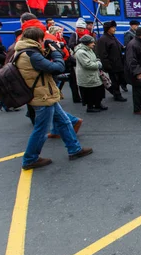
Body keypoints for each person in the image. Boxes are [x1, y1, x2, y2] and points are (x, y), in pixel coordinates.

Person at [14, 27, 92, 170]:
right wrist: (56, 52)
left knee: (64, 121)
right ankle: (30, 159)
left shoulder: (22, 51)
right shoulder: (32, 54)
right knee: (41, 130)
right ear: (38, 39)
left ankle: (74, 149)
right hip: (42, 95)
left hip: (44, 93)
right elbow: (57, 67)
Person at [74, 35, 107, 113]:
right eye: (92, 42)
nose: (94, 44)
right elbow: (87, 64)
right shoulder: (81, 52)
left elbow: (94, 59)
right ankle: (90, 107)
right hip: (86, 75)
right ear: (87, 43)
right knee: (89, 92)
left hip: (93, 74)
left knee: (97, 90)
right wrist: (98, 64)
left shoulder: (89, 49)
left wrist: (97, 61)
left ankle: (98, 104)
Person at [96, 20, 127, 102]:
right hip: (112, 65)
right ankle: (117, 95)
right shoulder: (103, 40)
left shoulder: (113, 37)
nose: (115, 29)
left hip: (119, 63)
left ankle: (115, 92)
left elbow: (118, 48)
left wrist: (124, 48)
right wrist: (107, 65)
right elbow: (103, 54)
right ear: (108, 29)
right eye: (113, 27)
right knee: (115, 81)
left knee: (120, 79)